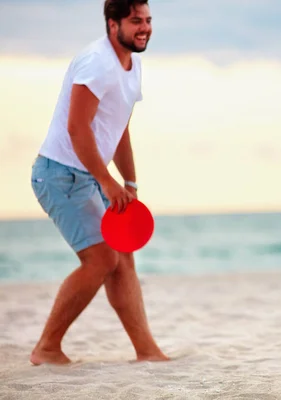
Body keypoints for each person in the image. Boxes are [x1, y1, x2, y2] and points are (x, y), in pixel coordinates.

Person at [29, 0, 168, 365]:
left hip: (90, 175)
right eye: (135, 20)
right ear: (113, 24)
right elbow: (77, 128)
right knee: (102, 259)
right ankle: (46, 347)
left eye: (148, 20)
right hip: (59, 173)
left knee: (124, 257)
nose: (145, 28)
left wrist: (130, 182)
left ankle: (147, 351)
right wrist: (107, 180)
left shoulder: (133, 62)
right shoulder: (96, 63)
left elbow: (118, 128)